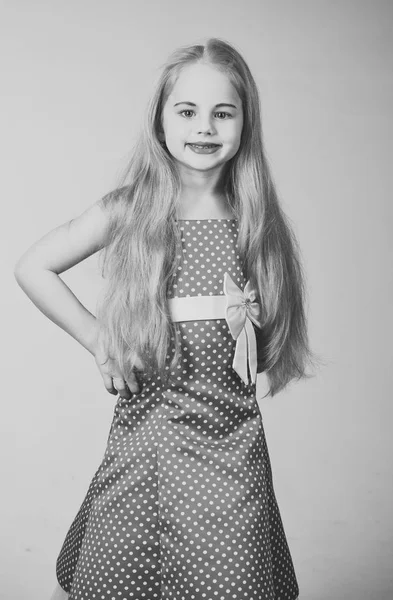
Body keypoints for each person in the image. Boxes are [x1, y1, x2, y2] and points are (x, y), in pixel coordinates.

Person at [15, 37, 318, 600]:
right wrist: (98, 340)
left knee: (234, 579)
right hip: (146, 443)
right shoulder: (131, 209)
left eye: (222, 113)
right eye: (187, 111)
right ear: (159, 120)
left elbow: (272, 322)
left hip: (231, 445)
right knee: (120, 577)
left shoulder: (254, 222)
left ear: (245, 123)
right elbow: (34, 266)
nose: (205, 126)